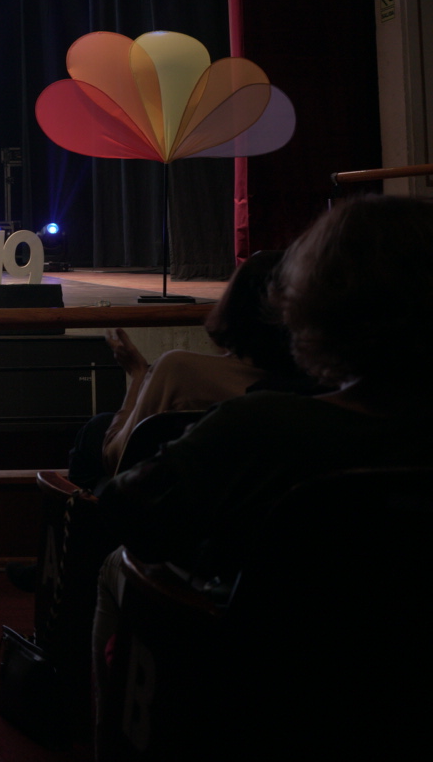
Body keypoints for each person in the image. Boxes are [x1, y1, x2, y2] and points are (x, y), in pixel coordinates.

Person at [91, 195, 433, 726]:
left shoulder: (260, 427)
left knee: (120, 565)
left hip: (266, 692)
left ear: (317, 302)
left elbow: (121, 512)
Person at [73, 250, 313, 485]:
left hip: (178, 506)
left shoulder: (181, 370)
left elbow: (117, 459)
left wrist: (139, 374)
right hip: (260, 503)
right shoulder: (321, 386)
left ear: (233, 306)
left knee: (96, 431)